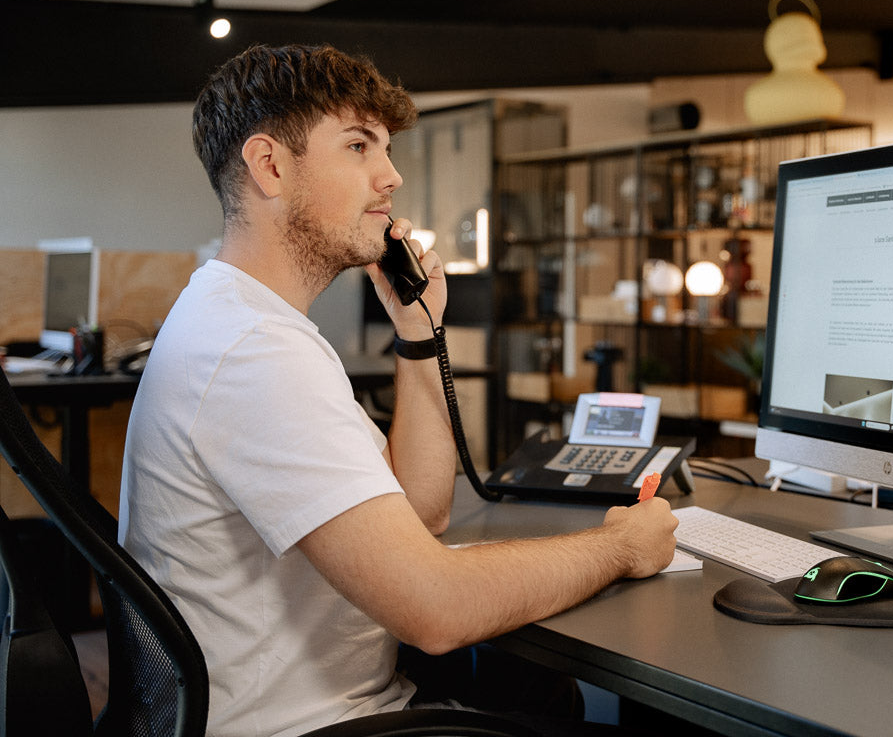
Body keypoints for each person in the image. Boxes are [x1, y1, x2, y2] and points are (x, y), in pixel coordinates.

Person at [118, 44, 679, 737]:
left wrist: (419, 335)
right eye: (358, 146)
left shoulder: (240, 321)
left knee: (546, 696)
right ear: (269, 166)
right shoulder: (254, 353)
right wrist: (621, 545)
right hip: (315, 727)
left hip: (336, 711)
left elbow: (420, 512)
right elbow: (435, 611)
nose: (391, 176)